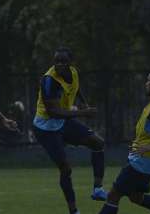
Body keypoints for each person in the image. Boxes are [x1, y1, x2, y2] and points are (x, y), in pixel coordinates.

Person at [32, 47, 106, 214]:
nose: (59, 64)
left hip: (63, 122)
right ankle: (74, 211)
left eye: (63, 61)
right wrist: (84, 112)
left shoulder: (73, 72)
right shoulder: (49, 80)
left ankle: (98, 189)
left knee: (98, 143)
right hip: (46, 128)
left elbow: (76, 88)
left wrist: (84, 103)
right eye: (56, 61)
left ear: (71, 63)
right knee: (66, 168)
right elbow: (54, 112)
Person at [99, 69, 150, 214]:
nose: (146, 84)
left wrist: (147, 148)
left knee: (113, 196)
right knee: (136, 197)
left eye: (149, 81)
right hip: (144, 161)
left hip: (142, 163)